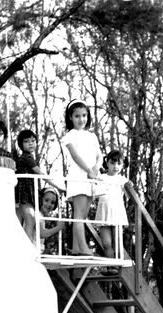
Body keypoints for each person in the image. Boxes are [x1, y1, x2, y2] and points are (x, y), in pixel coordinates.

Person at [62, 100, 102, 256]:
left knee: (83, 215)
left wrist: (95, 169)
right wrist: (88, 170)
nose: (81, 119)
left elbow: (99, 156)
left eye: (84, 115)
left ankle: (77, 248)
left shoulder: (92, 136)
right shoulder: (70, 135)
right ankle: (83, 248)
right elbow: (75, 156)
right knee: (78, 214)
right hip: (78, 177)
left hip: (91, 178)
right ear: (71, 117)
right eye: (77, 116)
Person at [95, 149, 129, 272]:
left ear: (123, 165)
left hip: (117, 212)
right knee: (107, 243)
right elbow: (95, 192)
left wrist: (130, 187)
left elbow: (130, 195)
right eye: (112, 163)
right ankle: (111, 265)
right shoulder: (101, 177)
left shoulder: (123, 180)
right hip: (104, 211)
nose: (115, 166)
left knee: (118, 241)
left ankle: (118, 264)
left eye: (119, 163)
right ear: (107, 163)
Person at [36, 186, 65, 253]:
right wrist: (58, 227)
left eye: (52, 202)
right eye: (46, 200)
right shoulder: (38, 214)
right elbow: (42, 233)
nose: (49, 204)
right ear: (40, 200)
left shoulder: (41, 215)